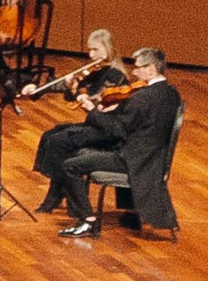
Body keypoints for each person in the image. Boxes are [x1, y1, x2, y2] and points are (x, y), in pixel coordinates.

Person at [57, 48, 182, 238]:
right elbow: (136, 121)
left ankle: (86, 221)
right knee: (82, 154)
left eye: (138, 67)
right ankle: (123, 214)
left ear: (151, 69)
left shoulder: (143, 98)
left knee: (70, 165)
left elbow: (117, 131)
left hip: (133, 160)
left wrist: (92, 111)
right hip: (151, 158)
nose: (134, 72)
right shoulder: (171, 94)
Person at [26, 29, 129, 212]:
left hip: (108, 131)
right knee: (51, 134)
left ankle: (58, 194)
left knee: (60, 141)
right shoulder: (98, 71)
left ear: (108, 49)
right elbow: (76, 93)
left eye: (95, 50)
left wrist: (80, 95)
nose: (91, 55)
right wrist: (41, 89)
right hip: (96, 126)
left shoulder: (116, 76)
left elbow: (99, 103)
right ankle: (58, 189)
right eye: (90, 50)